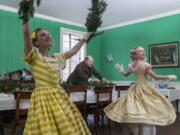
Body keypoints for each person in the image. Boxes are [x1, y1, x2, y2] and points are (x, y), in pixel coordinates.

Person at [21, 7, 93, 135]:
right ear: (36, 42)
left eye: (48, 34)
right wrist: (26, 12)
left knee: (67, 125)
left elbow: (74, 51)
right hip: (42, 98)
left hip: (59, 95)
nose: (47, 36)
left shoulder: (57, 57)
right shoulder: (34, 57)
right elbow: (26, 34)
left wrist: (84, 38)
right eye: (43, 35)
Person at [104, 47, 177, 135]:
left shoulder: (132, 65)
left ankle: (138, 131)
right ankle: (144, 131)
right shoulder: (144, 65)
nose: (144, 53)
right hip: (143, 88)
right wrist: (168, 76)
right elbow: (156, 77)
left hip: (135, 88)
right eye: (141, 52)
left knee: (136, 109)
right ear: (137, 54)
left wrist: (121, 70)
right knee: (147, 109)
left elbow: (125, 75)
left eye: (143, 51)